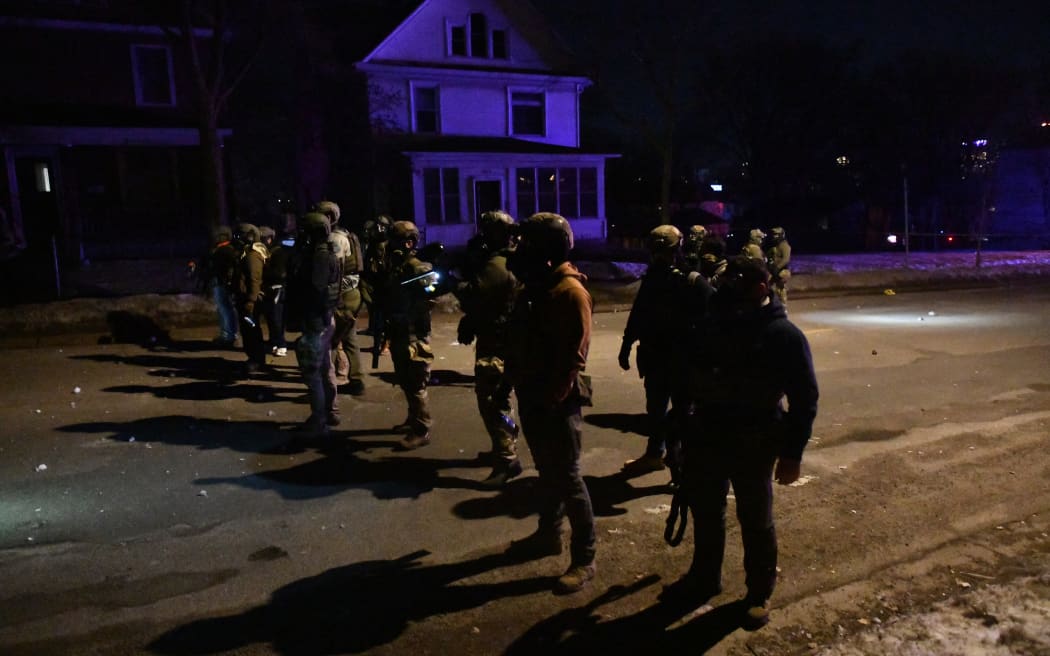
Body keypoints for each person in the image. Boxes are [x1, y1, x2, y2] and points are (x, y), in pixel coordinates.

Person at [672, 255, 818, 630]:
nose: (726, 297)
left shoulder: (783, 335)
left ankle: (758, 592)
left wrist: (792, 454)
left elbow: (805, 398)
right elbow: (690, 376)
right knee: (706, 512)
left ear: (760, 289)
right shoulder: (713, 323)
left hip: (755, 439)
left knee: (755, 519)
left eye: (737, 290)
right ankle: (705, 578)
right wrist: (682, 428)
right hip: (708, 433)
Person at [504, 212, 597, 594]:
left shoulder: (569, 291)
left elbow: (575, 355)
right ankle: (549, 535)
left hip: (555, 401)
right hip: (534, 395)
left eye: (530, 243)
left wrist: (554, 398)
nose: (522, 251)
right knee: (547, 474)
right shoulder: (539, 287)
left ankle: (585, 557)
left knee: (569, 479)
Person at [454, 210, 523, 487]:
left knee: (492, 399)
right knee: (500, 397)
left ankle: (507, 459)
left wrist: (454, 282)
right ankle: (504, 447)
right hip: (504, 337)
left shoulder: (497, 264)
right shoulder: (511, 259)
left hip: (497, 341)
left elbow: (475, 294)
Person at [617, 224, 690, 475]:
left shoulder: (686, 278)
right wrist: (626, 345)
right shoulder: (656, 278)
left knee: (678, 414)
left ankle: (678, 468)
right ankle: (655, 455)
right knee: (658, 412)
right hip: (658, 356)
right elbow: (639, 313)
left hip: (678, 358)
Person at [383, 220, 438, 450]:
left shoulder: (418, 268)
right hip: (400, 331)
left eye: (396, 241)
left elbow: (431, 295)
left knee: (416, 383)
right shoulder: (399, 266)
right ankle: (413, 418)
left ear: (408, 242)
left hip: (414, 334)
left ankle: (422, 429)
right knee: (406, 380)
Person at [285, 212, 341, 436]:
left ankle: (319, 420)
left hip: (316, 321)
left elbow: (315, 291)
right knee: (325, 368)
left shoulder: (318, 258)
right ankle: (330, 412)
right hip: (325, 319)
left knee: (313, 373)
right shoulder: (325, 253)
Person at [314, 201, 366, 396]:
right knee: (349, 337)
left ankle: (331, 382)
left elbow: (333, 271)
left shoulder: (335, 239)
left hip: (342, 295)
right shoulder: (345, 235)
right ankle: (356, 378)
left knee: (332, 339)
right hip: (350, 292)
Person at [232, 222, 269, 375]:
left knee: (251, 330)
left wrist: (250, 301)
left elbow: (254, 279)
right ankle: (256, 358)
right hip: (249, 299)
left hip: (250, 301)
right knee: (251, 329)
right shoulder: (251, 252)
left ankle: (256, 360)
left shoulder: (252, 255)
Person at [205, 225, 240, 347]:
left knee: (225, 309)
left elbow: (226, 268)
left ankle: (228, 335)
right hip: (221, 282)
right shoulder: (223, 249)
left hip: (223, 283)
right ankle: (228, 334)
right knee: (224, 309)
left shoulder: (225, 250)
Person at [258, 226, 289, 357]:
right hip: (271, 288)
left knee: (277, 319)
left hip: (277, 289)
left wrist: (264, 273)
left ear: (269, 239)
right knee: (271, 318)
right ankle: (274, 342)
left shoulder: (278, 252)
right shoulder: (268, 251)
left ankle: (281, 344)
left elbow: (280, 273)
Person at [766, 226, 791, 305]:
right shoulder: (775, 246)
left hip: (782, 270)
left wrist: (777, 267)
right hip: (774, 270)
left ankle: (782, 305)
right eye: (774, 234)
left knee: (780, 288)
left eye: (777, 234)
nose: (775, 236)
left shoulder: (784, 245)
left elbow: (786, 259)